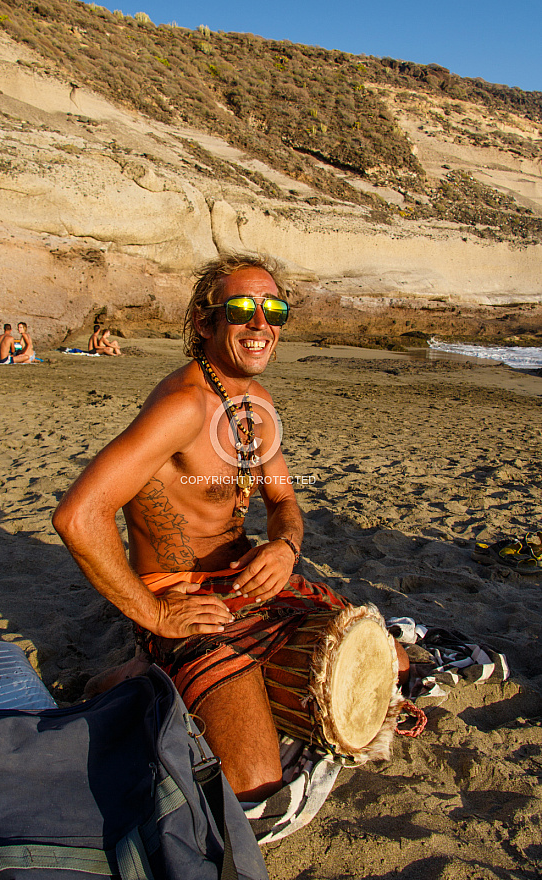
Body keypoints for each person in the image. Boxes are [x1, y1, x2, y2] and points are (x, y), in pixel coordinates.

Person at [53, 253, 408, 802]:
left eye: (274, 310)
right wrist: (155, 614)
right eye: (241, 309)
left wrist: (286, 547)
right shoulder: (183, 408)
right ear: (204, 322)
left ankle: (240, 681)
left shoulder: (255, 404)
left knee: (393, 663)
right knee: (252, 778)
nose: (260, 324)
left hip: (246, 580)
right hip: (183, 595)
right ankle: (133, 680)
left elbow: (283, 499)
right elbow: (78, 515)